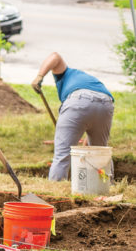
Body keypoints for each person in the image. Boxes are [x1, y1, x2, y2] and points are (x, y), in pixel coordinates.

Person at [31, 52, 114, 181]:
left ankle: (55, 192)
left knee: (62, 156)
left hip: (78, 99)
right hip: (105, 103)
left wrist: (39, 76)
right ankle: (107, 189)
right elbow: (91, 111)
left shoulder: (65, 73)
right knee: (100, 153)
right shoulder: (85, 79)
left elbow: (55, 56)